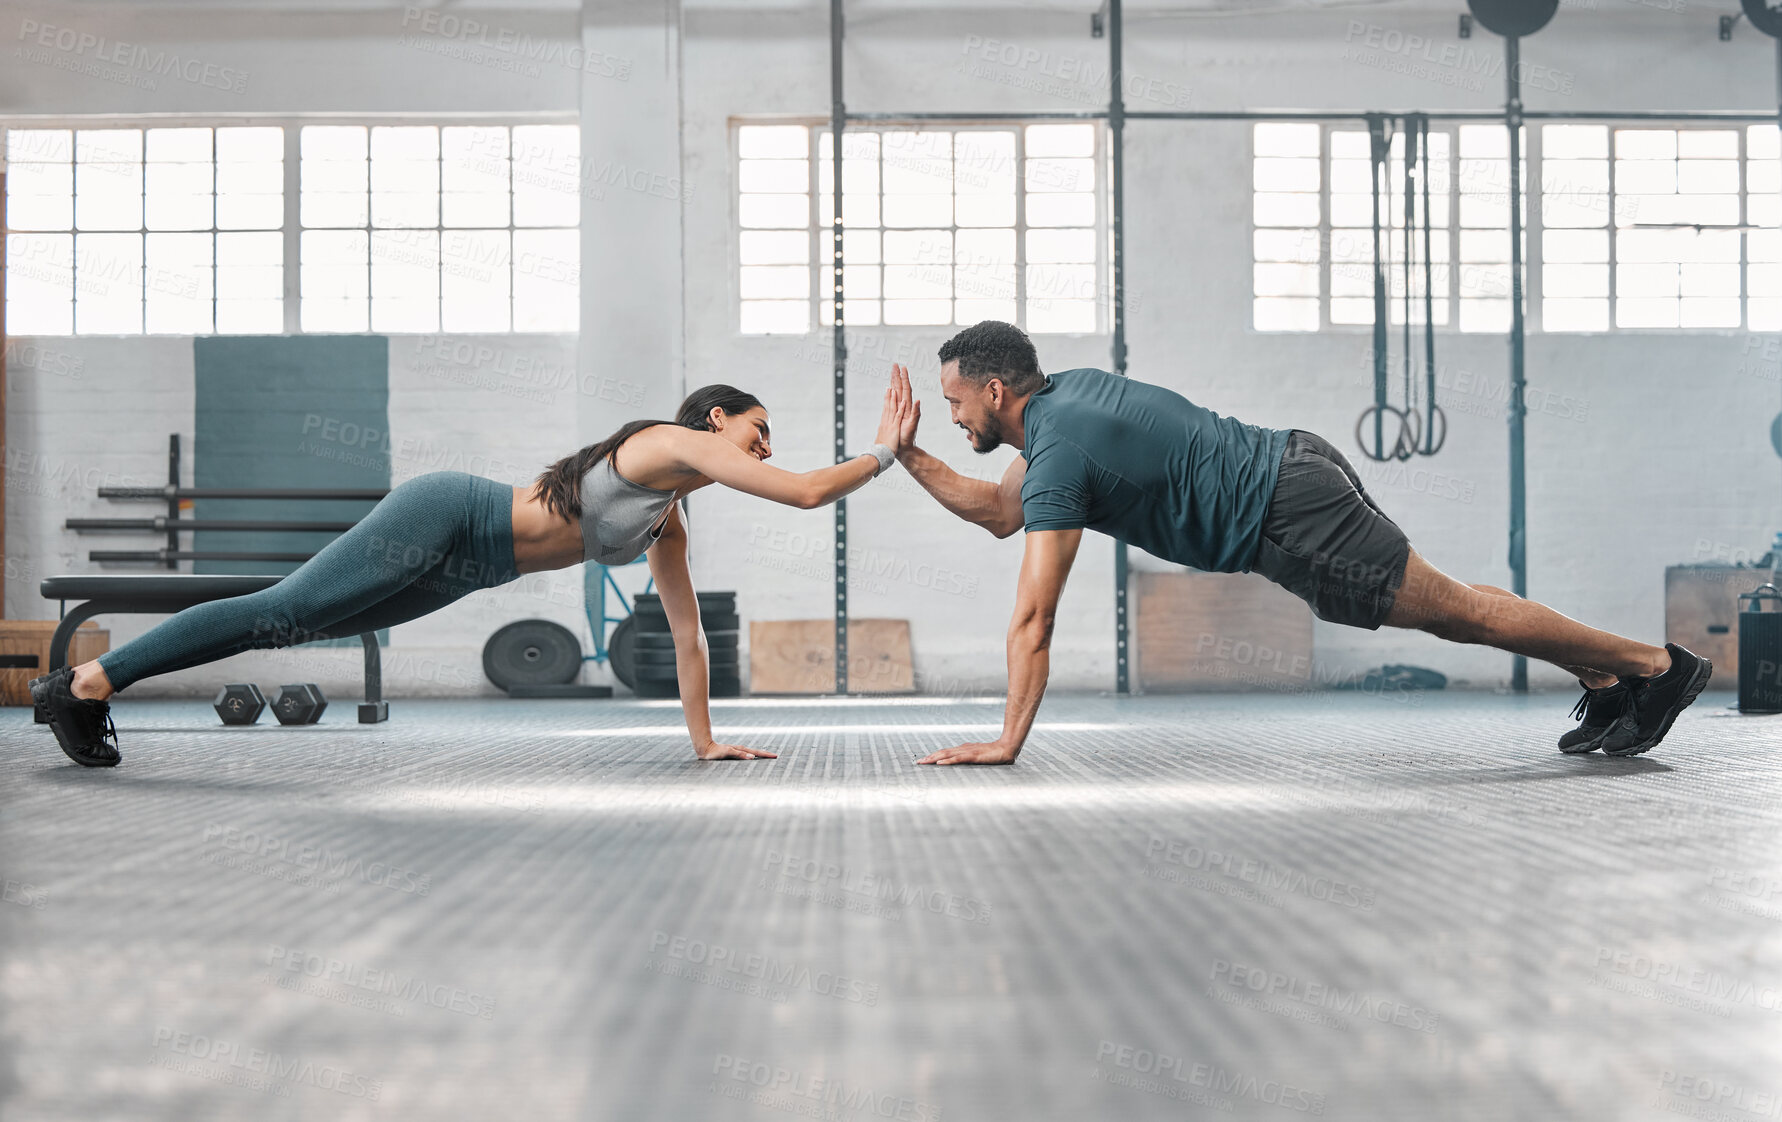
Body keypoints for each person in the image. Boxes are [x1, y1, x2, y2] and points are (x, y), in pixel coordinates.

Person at [892, 320, 1712, 765]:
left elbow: (1033, 619)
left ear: (995, 391)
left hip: (1288, 514)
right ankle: (1606, 675)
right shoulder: (1062, 405)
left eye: (954, 403)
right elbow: (1003, 513)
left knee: (1458, 614)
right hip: (1292, 466)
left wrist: (1007, 742)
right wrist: (908, 454)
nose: (953, 414)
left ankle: (1654, 669)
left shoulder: (1060, 455)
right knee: (1455, 608)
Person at [31, 382, 914, 768]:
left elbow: (686, 639)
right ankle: (83, 684)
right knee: (285, 609)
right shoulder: (670, 442)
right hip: (455, 512)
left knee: (298, 624)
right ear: (718, 419)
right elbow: (803, 494)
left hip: (469, 570)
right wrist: (887, 449)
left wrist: (706, 742)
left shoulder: (666, 520)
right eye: (758, 429)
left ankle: (82, 686)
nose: (765, 446)